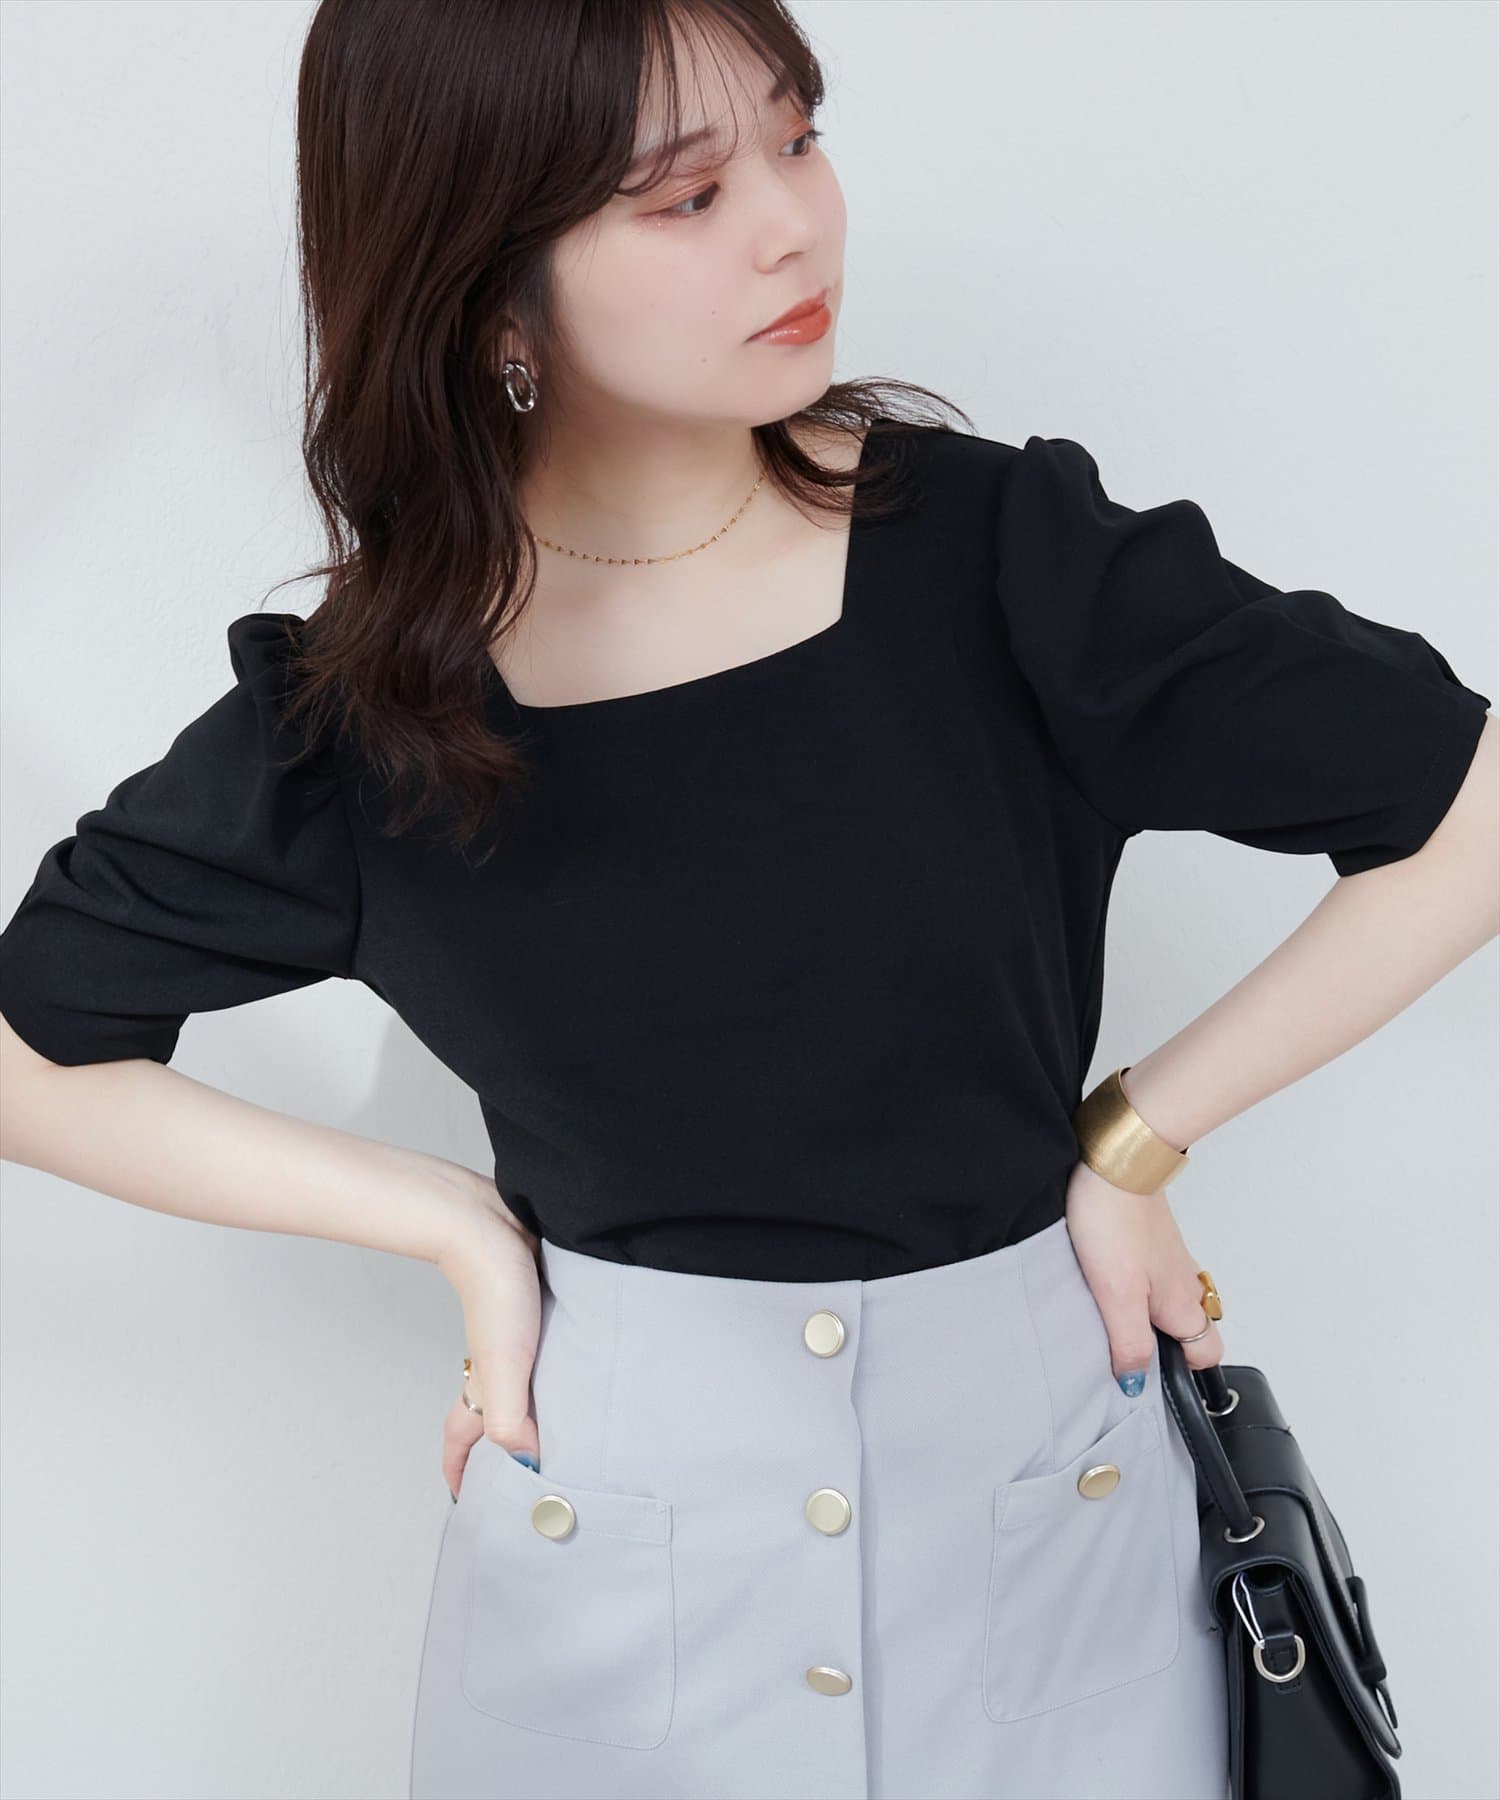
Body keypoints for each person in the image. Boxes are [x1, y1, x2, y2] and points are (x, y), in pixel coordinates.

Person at [1, 3, 1494, 1798]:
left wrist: (1135, 1138)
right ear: (488, 286)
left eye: (798, 138)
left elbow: (1467, 798)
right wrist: (447, 1222)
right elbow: (32, 1047)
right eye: (687, 195)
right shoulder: (362, 720)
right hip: (604, 1616)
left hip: (1057, 1563)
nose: (795, 226)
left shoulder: (1000, 559)